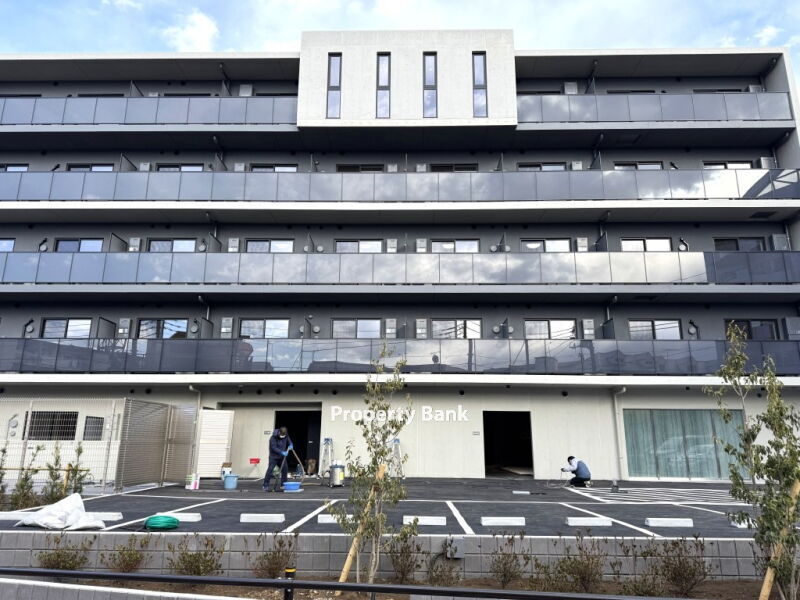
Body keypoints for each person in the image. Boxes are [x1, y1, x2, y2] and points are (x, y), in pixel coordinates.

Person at [263, 426, 293, 492]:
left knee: (285, 469)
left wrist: (291, 444)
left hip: (282, 457)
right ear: (279, 432)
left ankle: (283, 484)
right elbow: (273, 448)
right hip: (274, 457)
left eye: (284, 435)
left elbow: (289, 441)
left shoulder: (286, 435)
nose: (283, 436)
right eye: (282, 435)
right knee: (270, 470)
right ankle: (265, 485)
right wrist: (281, 452)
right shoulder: (273, 438)